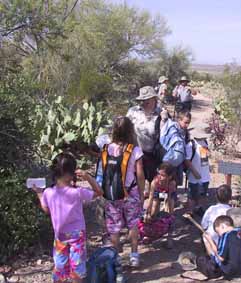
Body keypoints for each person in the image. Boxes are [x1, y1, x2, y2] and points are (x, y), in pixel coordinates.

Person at [33, 153, 102, 283]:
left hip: (60, 234)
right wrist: (88, 177)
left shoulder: (48, 192)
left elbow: (46, 209)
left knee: (60, 267)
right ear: (71, 173)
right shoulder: (78, 192)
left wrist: (39, 193)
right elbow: (99, 192)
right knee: (77, 268)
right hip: (77, 234)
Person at [102, 116, 145, 267]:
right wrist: (141, 193)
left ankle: (116, 258)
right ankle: (134, 255)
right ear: (130, 131)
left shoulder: (107, 148)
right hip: (130, 193)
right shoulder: (135, 150)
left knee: (114, 227)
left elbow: (103, 171)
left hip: (112, 194)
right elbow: (140, 174)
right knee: (133, 224)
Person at [127, 86, 165, 185]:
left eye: (148, 99)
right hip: (135, 151)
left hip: (152, 153)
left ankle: (152, 194)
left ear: (154, 99)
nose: (145, 102)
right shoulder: (133, 111)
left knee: (152, 177)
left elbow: (165, 134)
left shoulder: (161, 113)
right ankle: (140, 194)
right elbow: (124, 126)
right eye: (143, 99)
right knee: (135, 177)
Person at [201, 215, 241, 279]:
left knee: (201, 259)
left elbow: (221, 258)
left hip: (232, 271)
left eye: (218, 232)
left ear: (223, 226)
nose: (219, 235)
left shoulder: (226, 235)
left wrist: (210, 241)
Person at [185, 131, 211, 215]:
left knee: (202, 194)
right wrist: (194, 172)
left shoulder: (205, 142)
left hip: (205, 174)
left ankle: (199, 208)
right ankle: (190, 211)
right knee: (192, 195)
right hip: (194, 176)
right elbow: (187, 160)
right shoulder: (191, 144)